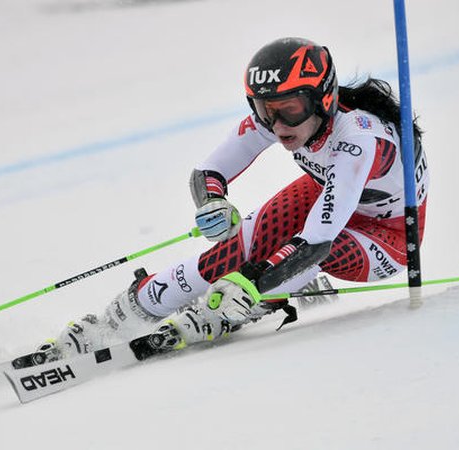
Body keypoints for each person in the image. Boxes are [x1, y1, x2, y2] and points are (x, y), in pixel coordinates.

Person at [35, 36, 429, 361]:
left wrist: (254, 282)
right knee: (234, 248)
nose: (277, 126)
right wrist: (212, 202)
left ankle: (243, 306)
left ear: (323, 98)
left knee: (295, 260)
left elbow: (318, 238)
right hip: (328, 196)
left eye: (289, 111)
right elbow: (209, 172)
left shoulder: (357, 139)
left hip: (387, 235)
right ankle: (121, 318)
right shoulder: (282, 119)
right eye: (264, 109)